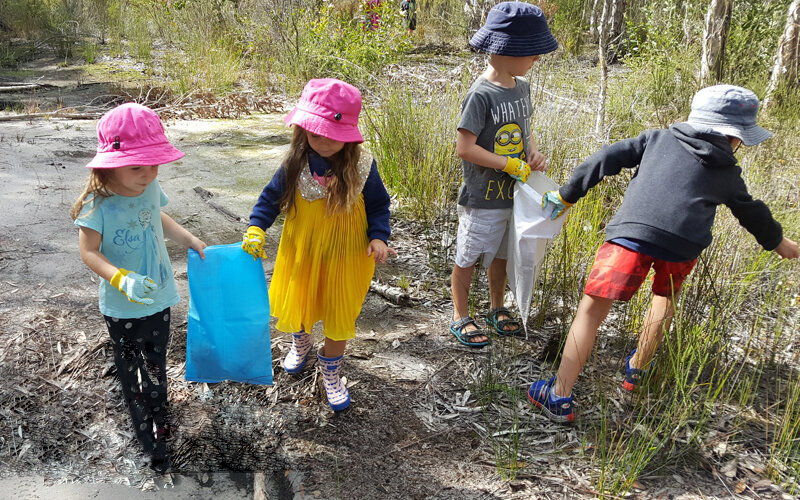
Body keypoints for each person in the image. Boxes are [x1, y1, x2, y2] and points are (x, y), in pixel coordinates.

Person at [528, 84, 800, 423]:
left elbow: (606, 158)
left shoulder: (654, 139)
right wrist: (778, 242)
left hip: (631, 237)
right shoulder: (728, 173)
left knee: (591, 312)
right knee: (665, 297)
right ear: (735, 137)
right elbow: (751, 211)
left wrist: (568, 194)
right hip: (682, 247)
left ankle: (559, 395)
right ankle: (637, 371)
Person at [242, 78, 395, 412]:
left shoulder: (363, 166)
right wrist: (256, 228)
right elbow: (269, 199)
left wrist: (378, 237)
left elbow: (379, 205)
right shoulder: (295, 163)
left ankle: (332, 371)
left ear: (349, 135)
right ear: (302, 130)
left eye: (332, 135)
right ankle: (301, 343)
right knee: (300, 301)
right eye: (315, 133)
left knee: (338, 313)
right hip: (302, 252)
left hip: (345, 256)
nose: (323, 141)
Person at [70, 102, 207, 471]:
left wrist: (189, 239)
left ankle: (161, 421)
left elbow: (158, 216)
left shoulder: (149, 186)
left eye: (153, 164)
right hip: (122, 307)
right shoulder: (97, 205)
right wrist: (120, 277)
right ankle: (143, 430)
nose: (147, 174)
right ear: (110, 164)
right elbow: (89, 252)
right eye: (137, 166)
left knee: (157, 365)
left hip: (158, 297)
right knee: (130, 370)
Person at [450, 2, 556, 347]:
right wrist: (506, 164)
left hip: (515, 196)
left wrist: (532, 153)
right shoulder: (480, 95)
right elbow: (465, 148)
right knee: (469, 254)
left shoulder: (522, 88)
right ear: (506, 51)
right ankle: (460, 315)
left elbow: (525, 131)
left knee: (502, 254)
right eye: (531, 52)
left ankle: (497, 307)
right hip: (483, 197)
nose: (536, 59)